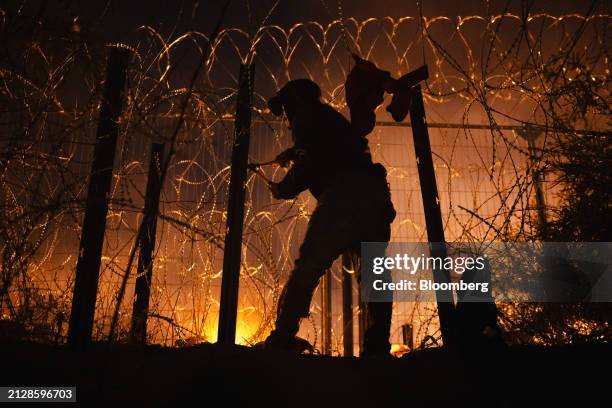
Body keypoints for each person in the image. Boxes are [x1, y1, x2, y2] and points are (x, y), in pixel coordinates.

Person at [261, 78, 397, 357]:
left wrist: (282, 189)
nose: (286, 118)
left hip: (344, 195)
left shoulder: (305, 115)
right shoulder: (328, 117)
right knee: (374, 271)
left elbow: (309, 161)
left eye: (285, 109)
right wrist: (292, 153)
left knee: (309, 265)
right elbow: (330, 147)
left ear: (293, 101)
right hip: (374, 195)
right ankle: (378, 346)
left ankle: (283, 337)